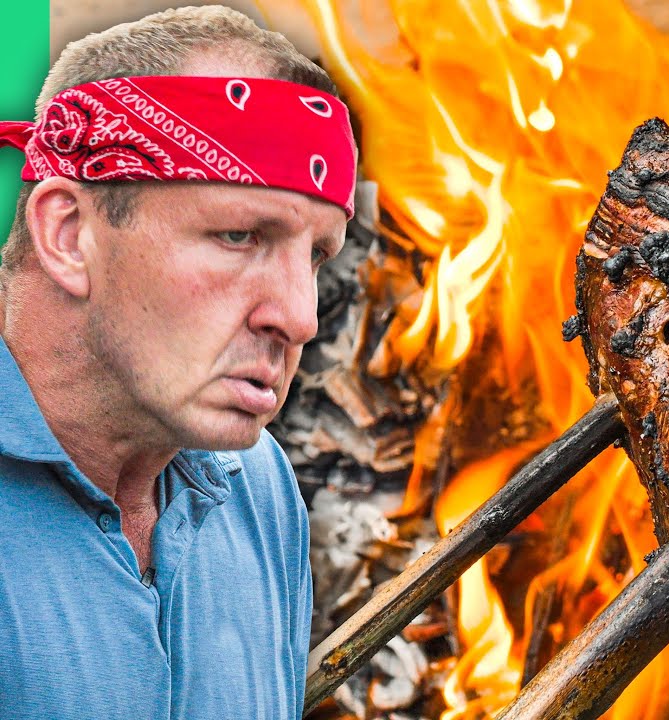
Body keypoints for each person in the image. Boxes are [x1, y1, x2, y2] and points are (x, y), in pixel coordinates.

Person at [0, 6, 356, 718]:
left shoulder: (257, 487)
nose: (299, 317)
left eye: (316, 255)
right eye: (238, 234)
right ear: (69, 234)